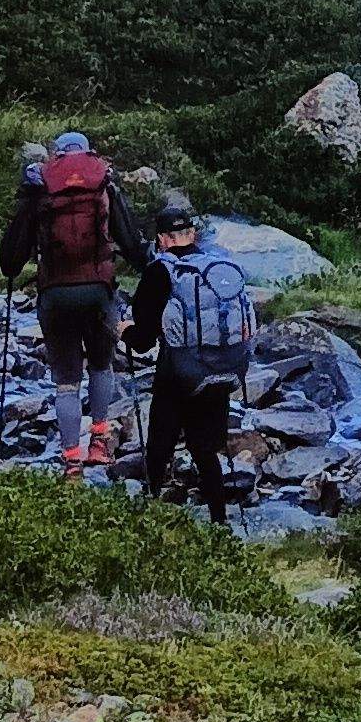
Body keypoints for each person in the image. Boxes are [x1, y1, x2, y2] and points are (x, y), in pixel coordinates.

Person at [0, 127, 147, 472]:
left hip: (55, 295)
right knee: (100, 366)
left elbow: (10, 262)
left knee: (66, 381)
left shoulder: (41, 189)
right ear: (87, 152)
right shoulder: (103, 184)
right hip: (99, 291)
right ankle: (98, 442)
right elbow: (130, 241)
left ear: (56, 156)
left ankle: (70, 462)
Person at [126, 192, 251, 522]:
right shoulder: (218, 268)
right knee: (205, 449)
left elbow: (141, 342)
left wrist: (123, 330)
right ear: (192, 234)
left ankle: (151, 507)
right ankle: (219, 520)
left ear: (162, 239)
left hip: (179, 374)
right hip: (224, 370)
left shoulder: (161, 271)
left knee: (160, 443)